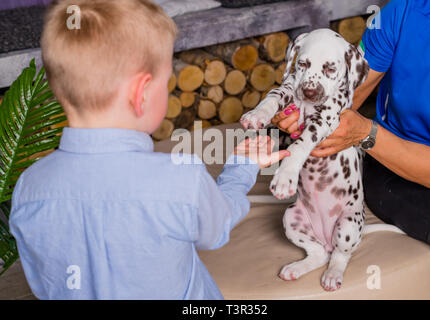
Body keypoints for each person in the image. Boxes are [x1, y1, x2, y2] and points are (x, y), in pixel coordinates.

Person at [9, 0, 289, 299]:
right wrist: (242, 167)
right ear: (140, 93)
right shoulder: (181, 179)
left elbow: (44, 282)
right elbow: (216, 226)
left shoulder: (28, 188)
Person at [272, 0, 430, 298]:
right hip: (389, 161)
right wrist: (299, 116)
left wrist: (364, 132)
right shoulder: (404, 10)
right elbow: (344, 97)